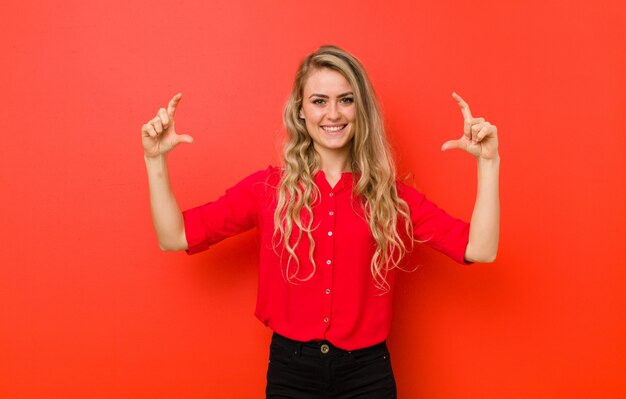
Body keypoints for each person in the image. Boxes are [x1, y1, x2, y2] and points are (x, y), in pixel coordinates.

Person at [141, 45, 499, 398]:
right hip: (290, 372)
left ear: (362, 109)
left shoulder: (392, 196)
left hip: (368, 375)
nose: (333, 113)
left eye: (346, 99)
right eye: (319, 100)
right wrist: (155, 159)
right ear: (300, 110)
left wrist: (488, 163)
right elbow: (174, 236)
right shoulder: (266, 189)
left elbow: (479, 249)